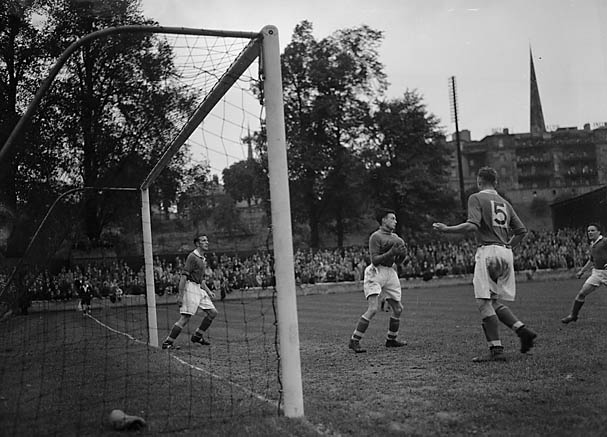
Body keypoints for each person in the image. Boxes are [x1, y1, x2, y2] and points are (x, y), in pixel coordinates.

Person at [432, 166, 537, 362]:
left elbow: (472, 225)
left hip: (488, 251)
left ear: (479, 182)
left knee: (483, 302)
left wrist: (447, 229)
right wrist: (508, 246)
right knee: (493, 301)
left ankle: (496, 350)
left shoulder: (476, 198)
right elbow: (521, 231)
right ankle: (523, 331)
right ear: (495, 182)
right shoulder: (505, 202)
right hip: (505, 252)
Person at [349, 208, 408, 353]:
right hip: (376, 272)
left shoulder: (396, 238)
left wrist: (402, 255)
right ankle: (354, 340)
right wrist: (392, 252)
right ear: (383, 220)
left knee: (398, 308)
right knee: (373, 308)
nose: (395, 221)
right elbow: (374, 260)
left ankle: (391, 340)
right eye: (392, 218)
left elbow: (399, 261)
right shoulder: (376, 237)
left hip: (389, 272)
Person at [162, 234, 218, 350]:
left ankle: (197, 336)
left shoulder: (202, 258)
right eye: (203, 241)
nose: (207, 242)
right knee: (185, 318)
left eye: (207, 240)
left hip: (199, 288)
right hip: (190, 288)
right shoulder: (192, 257)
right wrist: (180, 295)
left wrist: (208, 291)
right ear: (197, 244)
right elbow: (183, 277)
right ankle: (168, 342)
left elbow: (201, 279)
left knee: (213, 312)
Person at [561, 223, 607, 324]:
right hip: (597, 273)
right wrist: (582, 271)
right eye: (588, 231)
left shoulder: (604, 241)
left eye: (592, 230)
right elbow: (591, 260)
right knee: (582, 293)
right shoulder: (592, 244)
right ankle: (573, 316)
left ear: (599, 232)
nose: (590, 232)